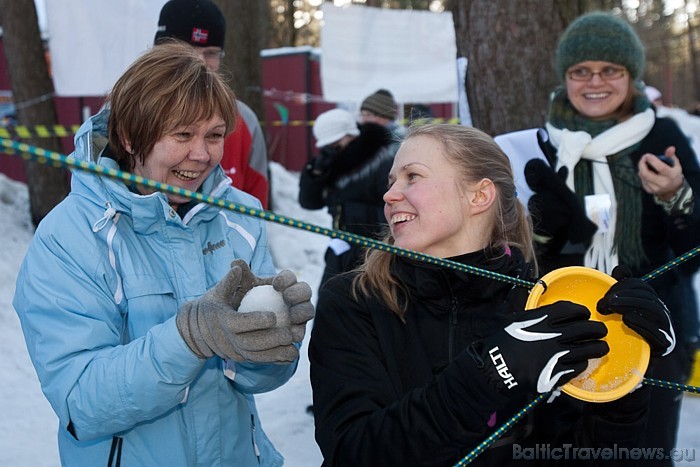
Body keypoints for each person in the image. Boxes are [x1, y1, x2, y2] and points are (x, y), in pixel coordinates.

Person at [12, 42, 314, 466]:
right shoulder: (70, 236)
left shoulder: (239, 216)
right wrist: (187, 340)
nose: (203, 154)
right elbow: (81, 402)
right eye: (183, 134)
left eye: (214, 135)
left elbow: (256, 380)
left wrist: (270, 338)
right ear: (131, 136)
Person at [309, 124, 676, 466]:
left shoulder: (537, 303)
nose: (389, 195)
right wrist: (491, 372)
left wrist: (622, 384)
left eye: (413, 176)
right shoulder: (354, 299)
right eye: (392, 181)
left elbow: (584, 452)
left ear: (479, 195)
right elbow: (352, 450)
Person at [494, 12, 700, 464]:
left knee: (641, 453)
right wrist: (543, 226)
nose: (595, 82)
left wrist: (676, 196)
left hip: (650, 326)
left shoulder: (663, 137)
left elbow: (692, 255)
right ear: (565, 77)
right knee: (556, 450)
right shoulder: (542, 143)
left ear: (631, 76)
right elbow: (520, 254)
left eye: (611, 70)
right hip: (562, 323)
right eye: (580, 71)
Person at [155, 0, 271, 209]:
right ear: (160, 50)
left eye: (210, 53)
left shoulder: (244, 120)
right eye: (187, 50)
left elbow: (255, 206)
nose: (199, 61)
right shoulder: (125, 111)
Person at [299, 108, 398, 286]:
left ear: (351, 134)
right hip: (341, 245)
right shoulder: (334, 163)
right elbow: (309, 202)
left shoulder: (381, 160)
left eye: (336, 143)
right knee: (330, 299)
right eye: (327, 146)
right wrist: (316, 173)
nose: (332, 149)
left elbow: (389, 205)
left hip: (374, 248)